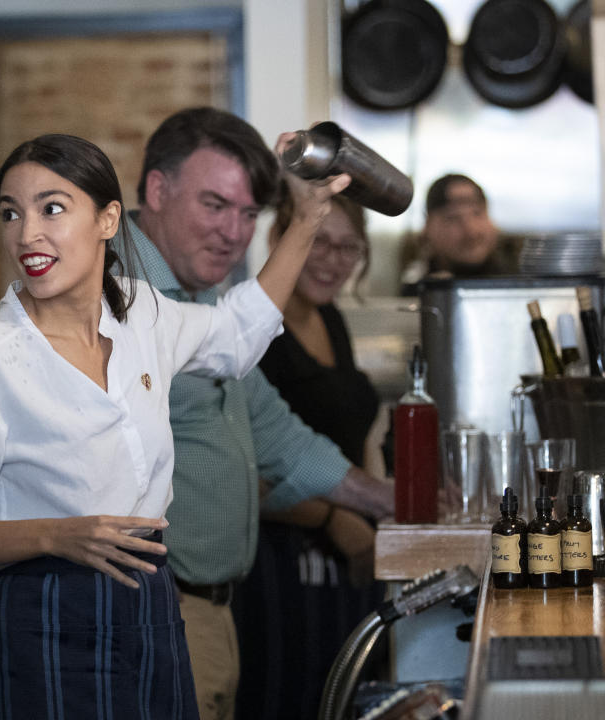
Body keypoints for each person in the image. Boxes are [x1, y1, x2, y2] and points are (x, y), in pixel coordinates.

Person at [0, 132, 349, 719]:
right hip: (44, 614)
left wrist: (306, 218)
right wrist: (54, 535)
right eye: (11, 212)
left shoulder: (141, 313)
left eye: (52, 208)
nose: (27, 234)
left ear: (107, 219)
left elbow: (236, 335)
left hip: (150, 601)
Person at [128, 107, 394, 720]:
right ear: (158, 190)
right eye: (215, 205)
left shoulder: (201, 299)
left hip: (210, 610)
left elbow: (274, 430)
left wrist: (383, 498)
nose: (233, 232)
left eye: (248, 213)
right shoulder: (123, 295)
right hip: (153, 612)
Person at [231, 185, 385, 719]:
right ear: (280, 236)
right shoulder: (253, 332)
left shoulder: (331, 320)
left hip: (344, 562)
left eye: (349, 248)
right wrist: (335, 518)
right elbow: (239, 470)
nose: (333, 262)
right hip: (274, 564)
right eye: (321, 242)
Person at [399, 173, 515, 295]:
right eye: (452, 218)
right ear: (429, 227)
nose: (471, 231)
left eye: (477, 213)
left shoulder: (517, 285)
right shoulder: (418, 289)